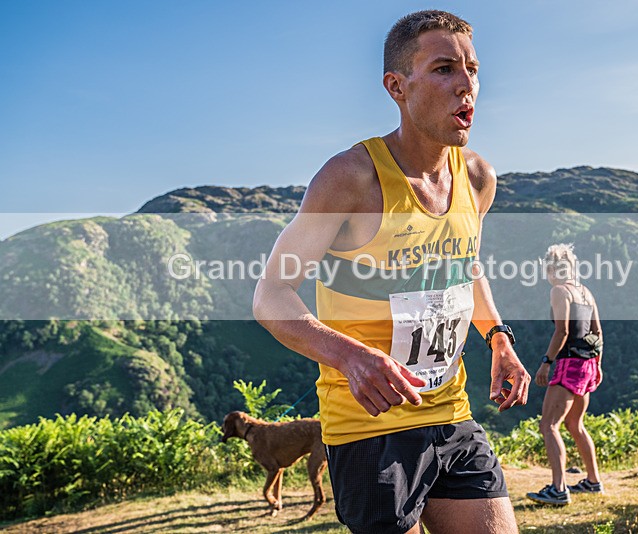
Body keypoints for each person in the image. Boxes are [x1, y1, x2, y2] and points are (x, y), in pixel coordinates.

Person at [253, 10, 531, 534]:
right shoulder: (352, 177)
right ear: (396, 86)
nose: (467, 84)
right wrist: (350, 357)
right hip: (369, 424)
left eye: (472, 69)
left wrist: (497, 337)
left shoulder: (477, 177)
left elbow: (465, 266)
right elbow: (271, 293)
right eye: (445, 69)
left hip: (450, 412)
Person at [526, 244, 604, 506]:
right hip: (587, 364)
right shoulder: (585, 292)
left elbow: (562, 331)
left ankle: (558, 489)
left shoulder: (560, 291)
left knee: (549, 425)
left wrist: (546, 362)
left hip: (569, 363)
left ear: (551, 269)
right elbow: (597, 333)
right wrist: (597, 365)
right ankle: (593, 481)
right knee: (575, 425)